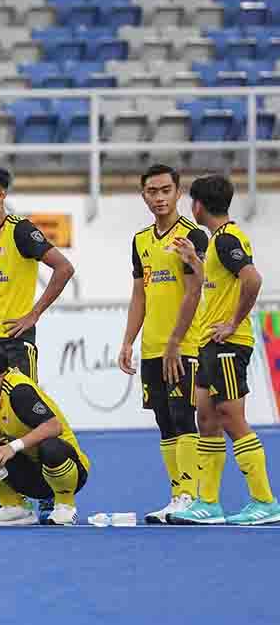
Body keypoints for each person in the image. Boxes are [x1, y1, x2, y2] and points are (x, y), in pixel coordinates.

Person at [0, 163, 75, 520]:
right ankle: (13, 501)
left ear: (1, 194)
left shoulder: (21, 231)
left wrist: (34, 314)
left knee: (26, 419)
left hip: (15, 342)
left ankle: (50, 493)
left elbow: (64, 268)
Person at [167, 175, 280, 525]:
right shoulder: (218, 241)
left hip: (228, 344)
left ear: (198, 206)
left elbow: (253, 279)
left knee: (231, 417)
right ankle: (209, 503)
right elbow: (218, 282)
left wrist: (233, 322)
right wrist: (194, 260)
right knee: (206, 418)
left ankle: (265, 501)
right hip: (209, 343)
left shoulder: (228, 238)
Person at [117, 164, 209, 524]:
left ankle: (191, 496)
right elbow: (139, 294)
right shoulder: (140, 240)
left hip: (183, 345)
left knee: (184, 416)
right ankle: (176, 496)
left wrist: (175, 342)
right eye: (152, 192)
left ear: (178, 193)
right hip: (153, 346)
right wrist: (128, 340)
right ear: (143, 196)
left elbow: (193, 292)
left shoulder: (192, 236)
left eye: (165, 190)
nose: (159, 197)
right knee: (165, 421)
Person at [0, 336, 90, 526]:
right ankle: (15, 508)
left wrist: (12, 447)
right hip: (31, 471)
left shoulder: (19, 391)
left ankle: (65, 507)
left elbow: (53, 426)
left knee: (50, 447)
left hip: (67, 470)